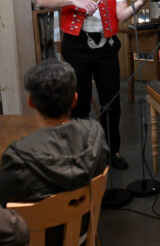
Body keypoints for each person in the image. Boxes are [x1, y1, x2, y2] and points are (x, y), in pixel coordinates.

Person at [36, 0, 157, 170]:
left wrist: (141, 2)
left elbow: (122, 15)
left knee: (111, 103)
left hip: (106, 47)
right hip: (77, 46)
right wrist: (73, 0)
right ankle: (83, 154)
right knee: (79, 105)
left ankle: (112, 151)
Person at [0, 59, 110, 204]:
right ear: (74, 100)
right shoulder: (95, 133)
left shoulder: (18, 159)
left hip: (38, 226)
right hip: (85, 222)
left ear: (31, 102)